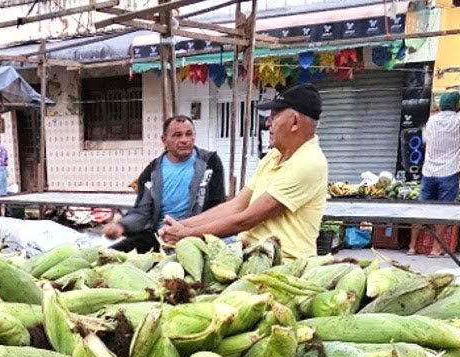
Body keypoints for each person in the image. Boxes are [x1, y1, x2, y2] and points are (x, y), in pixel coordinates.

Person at [160, 83, 328, 260]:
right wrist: (180, 225)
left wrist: (188, 234)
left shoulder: (309, 162)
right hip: (250, 253)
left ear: (294, 122)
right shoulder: (273, 157)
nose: (268, 122)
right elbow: (236, 206)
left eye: (275, 115)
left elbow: (247, 219)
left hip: (284, 262)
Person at [102, 115, 226, 253]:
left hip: (196, 237)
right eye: (177, 135)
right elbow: (142, 212)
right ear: (164, 140)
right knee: (109, 256)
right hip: (159, 237)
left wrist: (192, 232)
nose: (184, 140)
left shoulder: (210, 163)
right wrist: (121, 226)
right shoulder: (151, 172)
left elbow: (218, 207)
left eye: (189, 134)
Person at [412, 87, 460, 256]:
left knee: (421, 210)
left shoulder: (432, 121)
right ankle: (436, 248)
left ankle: (412, 246)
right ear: (456, 106)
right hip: (449, 172)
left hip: (429, 171)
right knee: (444, 212)